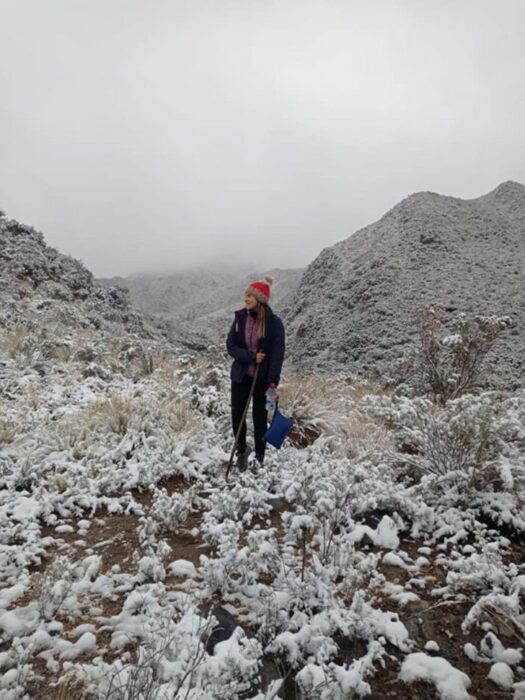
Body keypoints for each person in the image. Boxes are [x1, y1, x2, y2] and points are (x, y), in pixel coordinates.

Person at [226, 275, 285, 470]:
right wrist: (252, 356)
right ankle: (242, 451)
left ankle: (259, 457)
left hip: (263, 380)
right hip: (241, 377)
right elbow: (231, 346)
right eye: (246, 295)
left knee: (260, 419)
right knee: (238, 416)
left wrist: (273, 383)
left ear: (259, 299)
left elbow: (277, 355)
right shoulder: (240, 318)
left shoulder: (274, 324)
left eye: (249, 295)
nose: (246, 299)